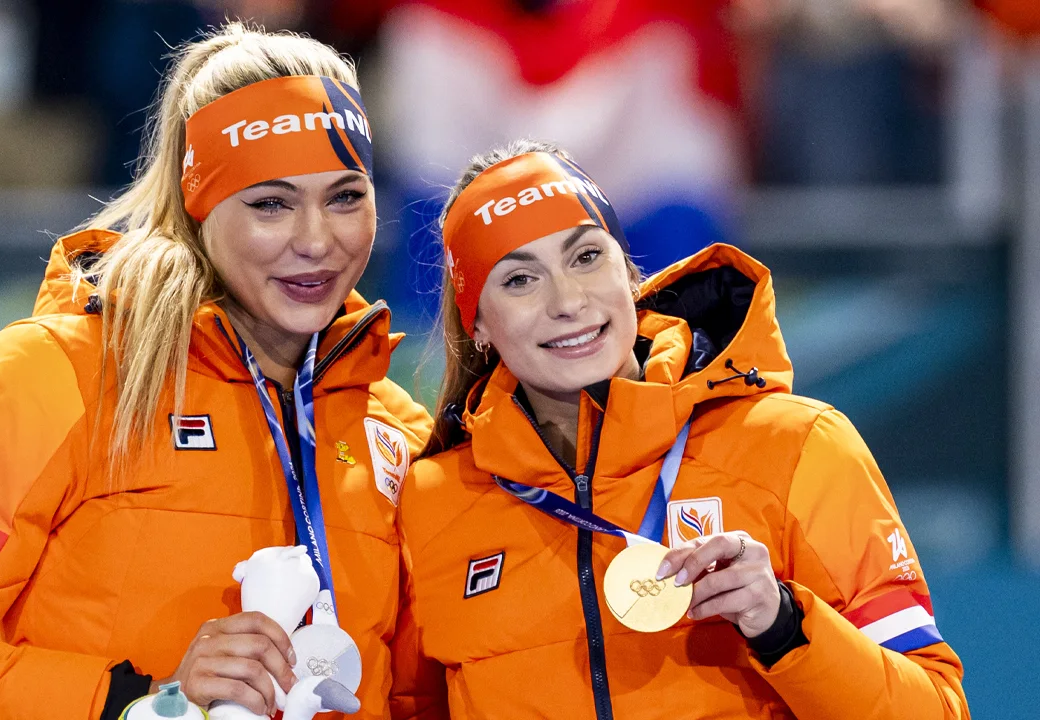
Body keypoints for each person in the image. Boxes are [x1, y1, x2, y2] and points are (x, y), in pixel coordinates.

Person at [0, 23, 430, 720]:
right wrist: (141, 704)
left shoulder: (396, 429)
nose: (316, 240)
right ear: (198, 203)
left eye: (346, 196)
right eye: (270, 204)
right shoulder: (60, 371)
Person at [389, 140, 969, 719]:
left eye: (586, 257)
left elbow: (938, 711)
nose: (568, 300)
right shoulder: (431, 504)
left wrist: (785, 625)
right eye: (519, 280)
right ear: (479, 322)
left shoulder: (796, 445)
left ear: (627, 270)